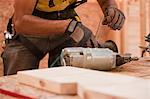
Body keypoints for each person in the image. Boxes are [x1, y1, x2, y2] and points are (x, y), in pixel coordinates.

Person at [2, 0, 125, 75]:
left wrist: (111, 8)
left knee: (70, 76)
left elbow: (106, 1)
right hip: (30, 28)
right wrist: (70, 27)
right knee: (18, 83)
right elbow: (21, 22)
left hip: (65, 20)